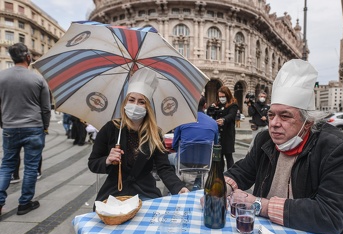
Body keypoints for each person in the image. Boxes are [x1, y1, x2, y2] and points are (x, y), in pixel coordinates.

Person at [222, 59, 343, 234]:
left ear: (307, 122)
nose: (274, 123)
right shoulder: (265, 140)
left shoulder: (339, 148)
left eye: (285, 116)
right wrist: (222, 189)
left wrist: (261, 205)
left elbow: (331, 215)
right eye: (271, 115)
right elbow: (242, 171)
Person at [88, 68, 189, 202]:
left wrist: (178, 187)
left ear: (147, 106)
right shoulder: (111, 128)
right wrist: (107, 160)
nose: (136, 105)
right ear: (125, 102)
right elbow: (93, 163)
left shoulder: (154, 133)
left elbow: (163, 168)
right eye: (132, 100)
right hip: (114, 193)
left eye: (141, 102)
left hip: (145, 192)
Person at [0, 43, 51, 216]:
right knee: (31, 167)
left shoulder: (1, 77)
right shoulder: (37, 79)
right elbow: (46, 108)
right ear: (28, 57)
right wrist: (45, 126)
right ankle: (24, 203)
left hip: (10, 127)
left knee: (6, 165)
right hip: (34, 127)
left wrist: (4, 123)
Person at [169, 95, 219, 190]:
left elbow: (175, 145)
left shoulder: (181, 121)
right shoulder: (213, 123)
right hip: (205, 165)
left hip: (184, 164)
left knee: (168, 158)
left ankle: (170, 191)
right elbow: (214, 146)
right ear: (204, 105)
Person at [207, 86, 238, 170]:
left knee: (228, 155)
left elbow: (231, 115)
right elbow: (209, 113)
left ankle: (230, 175)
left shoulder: (233, 104)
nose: (221, 98)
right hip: (218, 133)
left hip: (227, 134)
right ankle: (219, 175)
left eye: (223, 96)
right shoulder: (217, 104)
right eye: (220, 96)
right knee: (219, 156)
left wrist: (224, 120)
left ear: (227, 95)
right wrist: (211, 108)